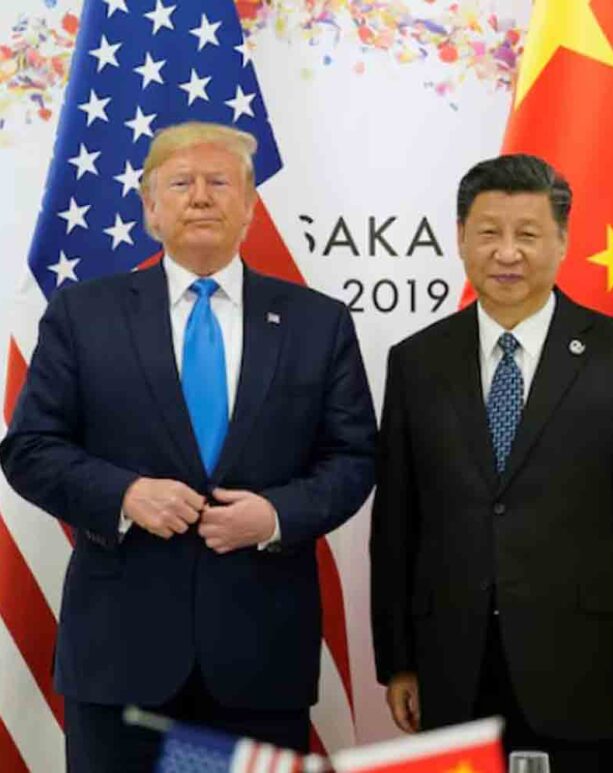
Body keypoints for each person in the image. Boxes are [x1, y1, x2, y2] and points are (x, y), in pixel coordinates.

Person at [0, 121, 377, 772]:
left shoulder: (318, 322)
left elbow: (354, 457)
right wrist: (123, 494)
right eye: (181, 182)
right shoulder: (82, 314)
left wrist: (278, 515)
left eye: (219, 181)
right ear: (150, 206)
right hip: (120, 660)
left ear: (251, 206)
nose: (200, 196)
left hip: (259, 660)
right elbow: (30, 447)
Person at [370, 154, 613, 772]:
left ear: (563, 241)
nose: (507, 253)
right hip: (455, 667)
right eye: (489, 233)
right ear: (461, 238)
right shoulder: (416, 362)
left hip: (589, 669)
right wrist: (400, 660)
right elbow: (398, 524)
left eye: (528, 234)